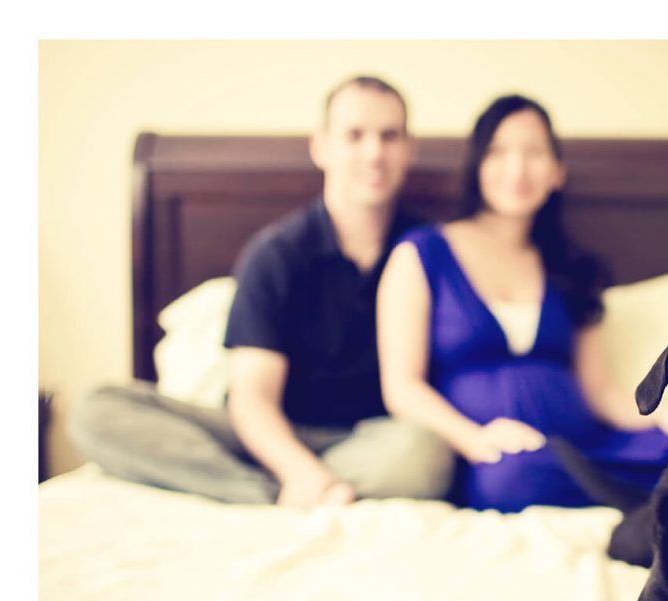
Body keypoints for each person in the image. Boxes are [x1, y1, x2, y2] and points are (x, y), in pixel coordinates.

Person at [70, 76, 456, 507]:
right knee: (95, 410)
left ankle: (275, 487)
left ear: (409, 149)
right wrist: (299, 470)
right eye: (354, 135)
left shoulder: (429, 249)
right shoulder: (277, 254)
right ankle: (268, 491)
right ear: (322, 146)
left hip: (370, 440)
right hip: (263, 432)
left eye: (389, 136)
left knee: (425, 452)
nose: (373, 153)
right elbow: (252, 399)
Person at [376, 94, 668, 513]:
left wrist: (659, 416)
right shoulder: (422, 253)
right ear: (477, 166)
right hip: (495, 458)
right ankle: (645, 500)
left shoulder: (573, 269)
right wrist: (473, 439)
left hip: (589, 446)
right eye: (499, 152)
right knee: (511, 478)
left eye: (534, 152)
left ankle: (643, 494)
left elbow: (600, 392)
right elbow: (401, 387)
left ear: (557, 172)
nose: (517, 169)